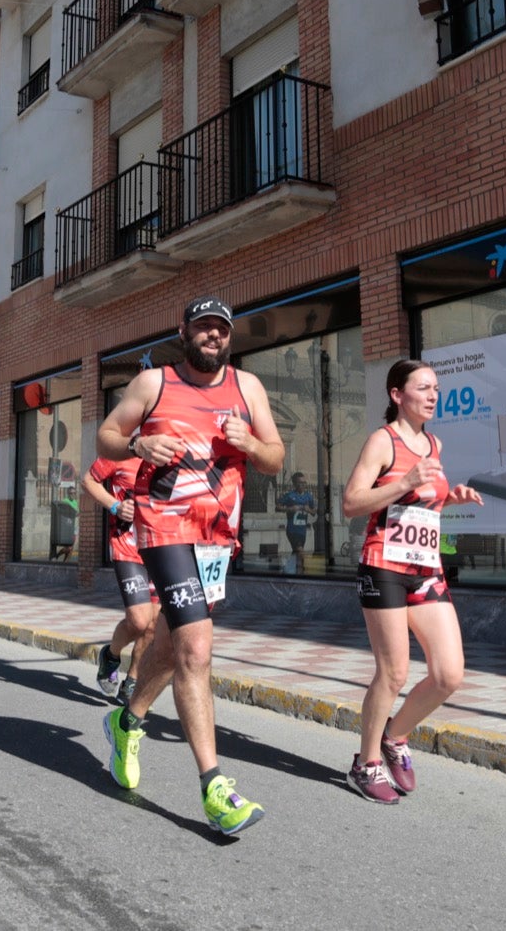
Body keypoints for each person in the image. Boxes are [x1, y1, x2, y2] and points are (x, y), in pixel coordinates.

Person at [96, 296, 284, 837]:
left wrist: (251, 443)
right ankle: (215, 786)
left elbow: (275, 455)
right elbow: (106, 438)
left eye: (221, 330)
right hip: (163, 527)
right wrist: (138, 442)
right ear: (184, 332)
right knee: (197, 648)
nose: (213, 336)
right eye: (203, 327)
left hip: (216, 535)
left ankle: (127, 720)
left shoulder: (248, 388)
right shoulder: (154, 384)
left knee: (173, 644)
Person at [341, 360, 483, 804]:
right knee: (395, 671)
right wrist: (403, 480)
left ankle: (395, 736)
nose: (433, 395)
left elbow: (422, 505)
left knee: (448, 674)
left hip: (425, 568)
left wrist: (449, 497)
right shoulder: (382, 441)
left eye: (436, 388)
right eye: (423, 387)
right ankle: (365, 765)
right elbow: (351, 502)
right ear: (397, 395)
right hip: (383, 567)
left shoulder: (433, 443)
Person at [81, 453, 153, 707]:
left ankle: (132, 681)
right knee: (139, 619)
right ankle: (111, 656)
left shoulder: (172, 455)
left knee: (153, 625)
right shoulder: (124, 449)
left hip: (161, 548)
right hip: (127, 546)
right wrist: (115, 506)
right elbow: (88, 480)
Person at [276, 471, 315, 574]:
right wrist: (289, 509)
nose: (302, 485)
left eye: (304, 483)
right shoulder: (290, 496)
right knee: (301, 552)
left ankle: (288, 572)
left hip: (302, 531)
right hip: (292, 530)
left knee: (296, 553)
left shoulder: (308, 497)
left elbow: (314, 512)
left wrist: (309, 510)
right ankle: (305, 573)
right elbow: (278, 506)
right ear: (295, 484)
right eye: (300, 483)